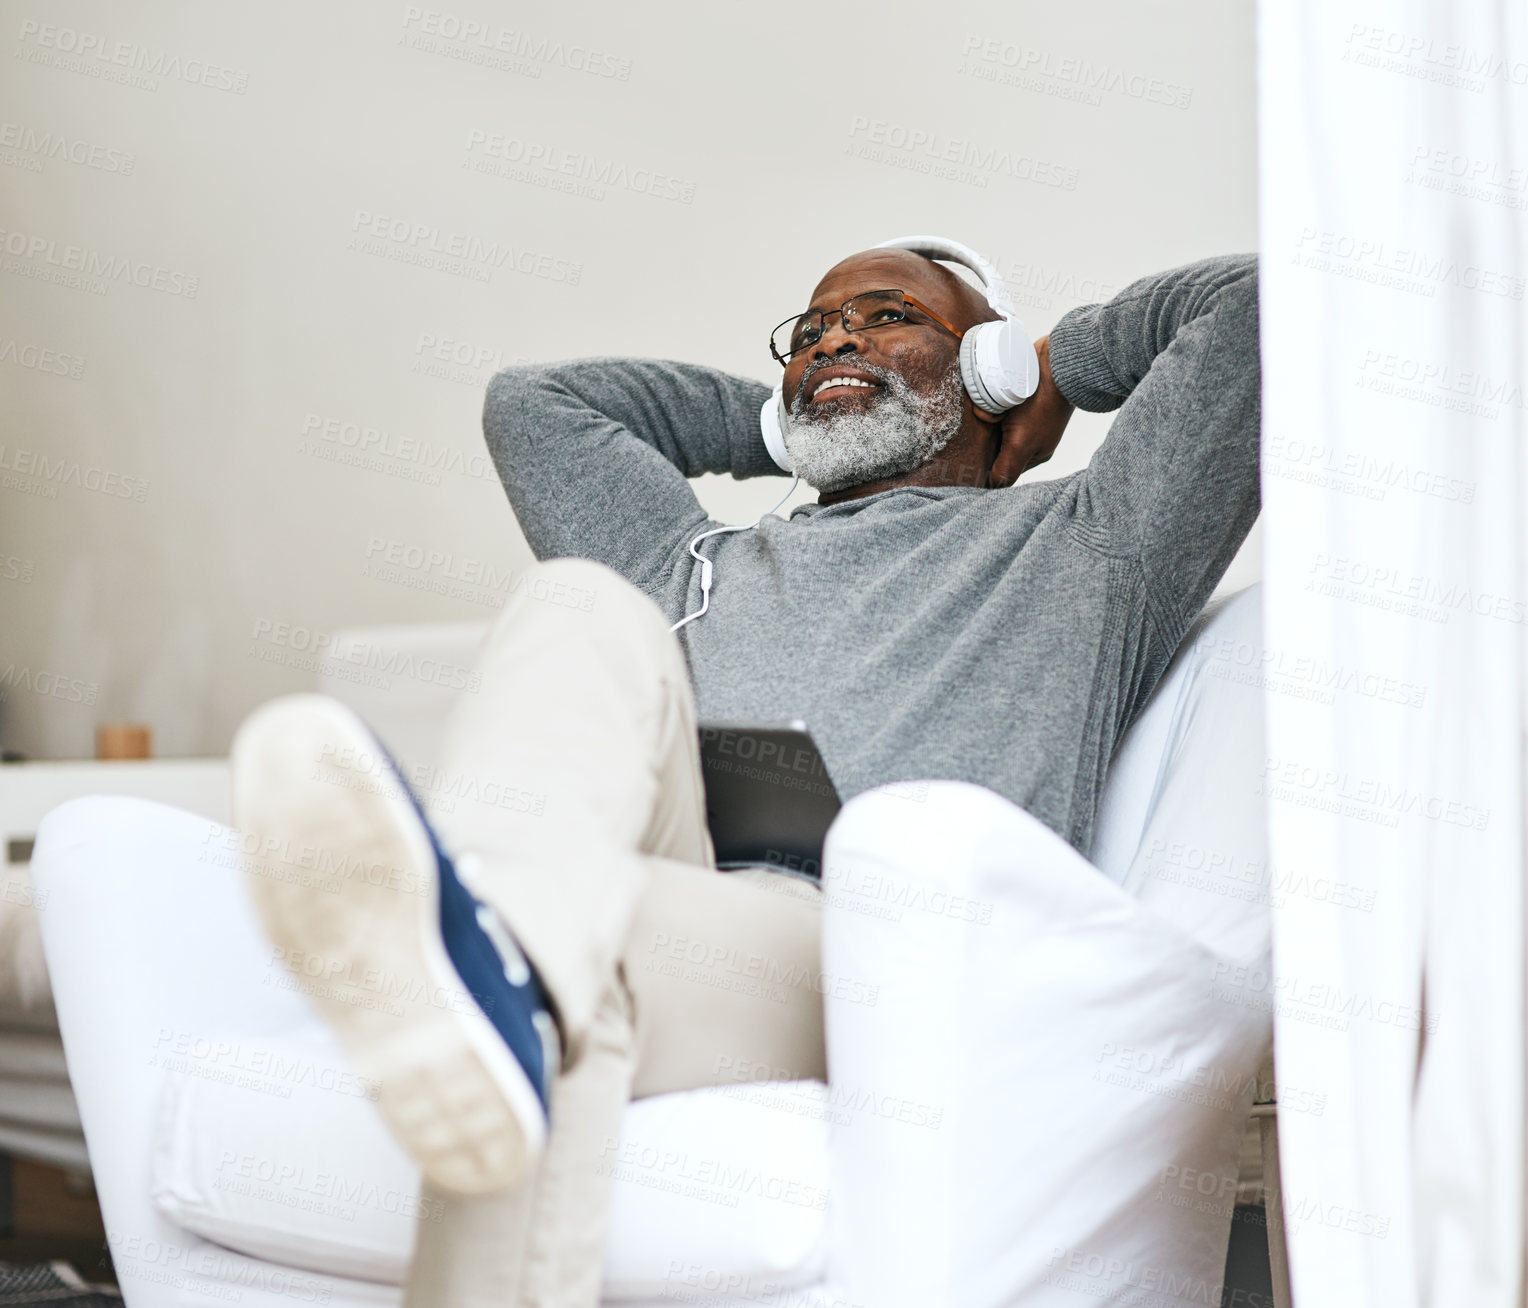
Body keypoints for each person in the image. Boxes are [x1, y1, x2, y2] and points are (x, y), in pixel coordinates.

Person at [232, 243, 1260, 1305]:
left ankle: (483, 952)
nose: (835, 340)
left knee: (573, 976)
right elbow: (536, 406)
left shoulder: (1083, 547)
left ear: (984, 369)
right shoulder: (697, 564)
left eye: (885, 314)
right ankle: (498, 948)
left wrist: (1052, 360)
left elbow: (1259, 313)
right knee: (580, 607)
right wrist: (778, 425)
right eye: (808, 334)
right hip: (670, 900)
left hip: (872, 956)